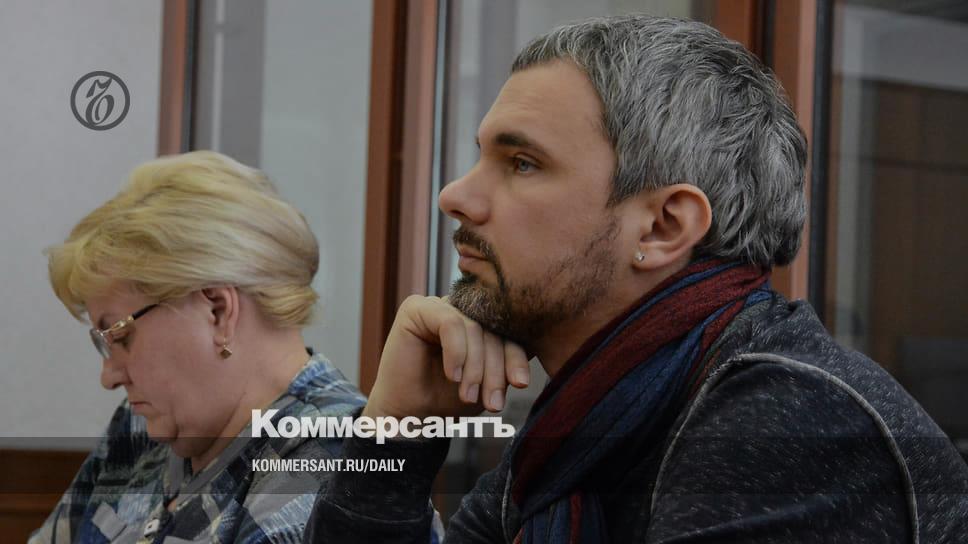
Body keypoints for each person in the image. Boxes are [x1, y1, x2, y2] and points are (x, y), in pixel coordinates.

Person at [304, 15, 968, 543]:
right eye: (482, 158)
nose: (455, 196)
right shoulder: (583, 429)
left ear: (662, 227)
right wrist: (396, 430)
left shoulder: (787, 419)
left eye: (523, 163)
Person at [33, 151, 367, 543]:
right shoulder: (141, 427)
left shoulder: (334, 468)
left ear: (218, 311)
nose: (109, 376)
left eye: (120, 336)